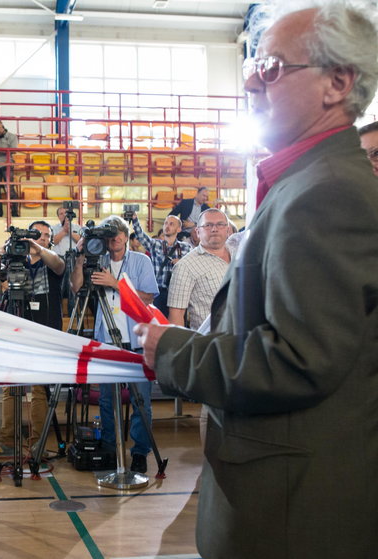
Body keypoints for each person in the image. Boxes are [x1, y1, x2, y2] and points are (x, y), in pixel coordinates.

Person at [135, 4, 378, 558]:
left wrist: (171, 349)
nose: (249, 79)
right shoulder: (305, 184)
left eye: (270, 66)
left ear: (336, 83)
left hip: (292, 513)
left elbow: (296, 359)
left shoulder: (328, 193)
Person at [70, 216, 158, 473]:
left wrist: (116, 284)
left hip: (137, 339)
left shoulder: (141, 261)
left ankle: (140, 452)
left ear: (125, 235)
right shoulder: (98, 260)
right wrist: (80, 257)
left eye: (119, 233)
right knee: (108, 401)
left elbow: (148, 297)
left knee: (141, 401)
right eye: (110, 235)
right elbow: (76, 288)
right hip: (106, 339)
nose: (115, 238)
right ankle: (109, 446)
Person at [0, 220, 65, 452]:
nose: (40, 238)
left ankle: (36, 442)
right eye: (36, 234)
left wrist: (38, 248)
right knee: (10, 386)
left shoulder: (51, 260)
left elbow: (59, 265)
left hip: (44, 331)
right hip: (14, 329)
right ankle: (8, 439)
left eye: (44, 235)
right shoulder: (15, 258)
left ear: (50, 239)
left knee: (39, 388)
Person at [166, 209, 231, 330]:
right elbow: (176, 316)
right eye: (208, 225)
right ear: (197, 232)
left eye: (220, 224)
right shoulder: (185, 266)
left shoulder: (241, 255)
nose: (214, 229)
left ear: (228, 230)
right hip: (210, 343)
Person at [130, 212, 193, 315]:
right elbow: (141, 236)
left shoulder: (186, 248)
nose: (167, 226)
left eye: (171, 224)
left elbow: (192, 268)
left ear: (179, 229)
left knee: (176, 326)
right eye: (166, 223)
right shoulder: (155, 244)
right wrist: (135, 220)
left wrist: (181, 264)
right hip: (159, 293)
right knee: (158, 324)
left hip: (178, 293)